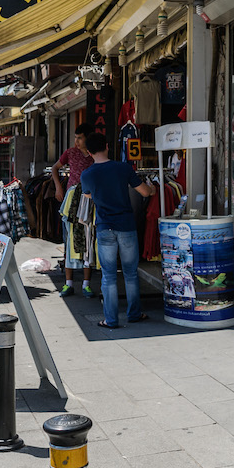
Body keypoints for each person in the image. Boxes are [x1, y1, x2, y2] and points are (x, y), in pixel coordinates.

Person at [79, 132, 154, 328]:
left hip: (104, 228)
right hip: (127, 225)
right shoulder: (123, 168)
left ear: (88, 152)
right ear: (107, 146)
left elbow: (87, 195)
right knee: (130, 273)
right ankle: (134, 313)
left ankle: (111, 320)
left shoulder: (87, 174)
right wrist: (153, 188)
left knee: (109, 276)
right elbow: (145, 192)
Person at [51, 123, 97, 298]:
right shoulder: (70, 153)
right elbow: (55, 168)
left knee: (88, 240)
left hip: (89, 200)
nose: (76, 141)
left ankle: (86, 284)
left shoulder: (94, 155)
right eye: (75, 138)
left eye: (80, 138)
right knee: (68, 240)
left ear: (87, 138)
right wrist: (58, 188)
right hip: (71, 200)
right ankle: (68, 283)